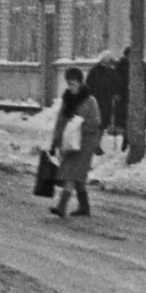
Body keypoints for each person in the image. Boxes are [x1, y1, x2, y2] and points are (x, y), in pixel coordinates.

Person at [47, 66, 101, 218]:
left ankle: (61, 206)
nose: (71, 87)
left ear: (81, 83)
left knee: (71, 174)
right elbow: (61, 121)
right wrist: (56, 141)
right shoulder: (67, 100)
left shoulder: (90, 101)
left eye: (74, 84)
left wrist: (79, 125)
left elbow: (96, 122)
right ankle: (84, 207)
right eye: (69, 84)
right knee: (76, 176)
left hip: (85, 143)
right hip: (70, 143)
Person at [84, 52, 122, 154]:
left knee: (103, 123)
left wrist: (116, 94)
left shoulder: (112, 72)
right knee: (96, 123)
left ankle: (97, 144)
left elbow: (117, 85)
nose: (109, 64)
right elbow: (88, 85)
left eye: (110, 62)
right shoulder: (94, 71)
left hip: (107, 102)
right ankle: (93, 144)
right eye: (108, 61)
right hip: (96, 101)